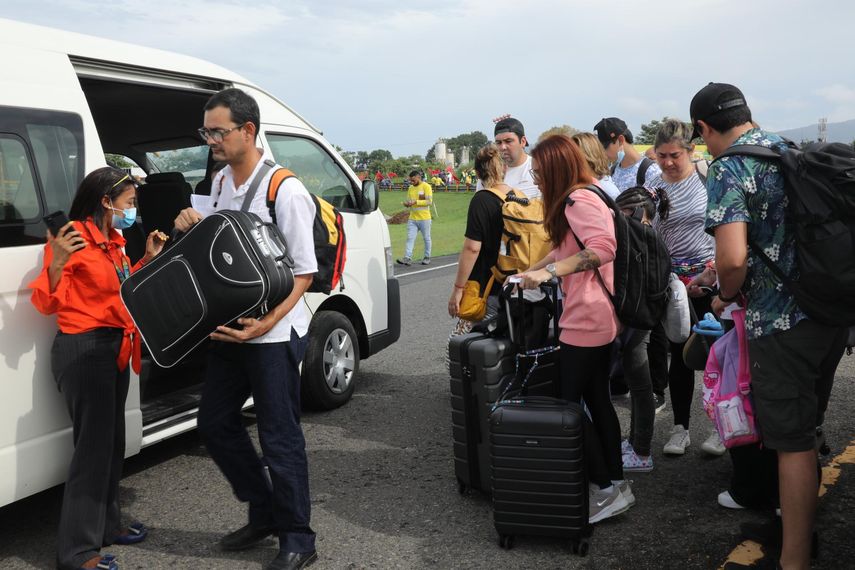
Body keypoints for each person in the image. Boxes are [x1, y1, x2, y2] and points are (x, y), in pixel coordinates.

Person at [693, 82, 848, 570]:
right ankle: (790, 526)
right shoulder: (790, 150)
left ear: (703, 128)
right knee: (806, 426)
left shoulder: (730, 167)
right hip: (829, 310)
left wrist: (727, 293)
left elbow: (733, 258)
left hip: (781, 322)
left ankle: (795, 559)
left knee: (791, 442)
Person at [173, 87, 319, 570]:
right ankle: (265, 511)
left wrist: (267, 324)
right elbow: (218, 250)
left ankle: (298, 535)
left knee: (279, 436)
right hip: (229, 328)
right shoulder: (218, 183)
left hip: (272, 334)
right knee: (214, 422)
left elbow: (303, 272)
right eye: (207, 131)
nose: (210, 139)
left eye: (218, 131)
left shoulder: (285, 190)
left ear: (248, 131)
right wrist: (189, 222)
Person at [29, 167, 166, 570]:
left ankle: (109, 526)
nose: (133, 210)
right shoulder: (71, 240)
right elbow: (45, 302)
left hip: (115, 349)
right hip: (85, 351)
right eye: (129, 202)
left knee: (112, 445)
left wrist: (145, 260)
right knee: (91, 453)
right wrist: (58, 261)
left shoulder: (115, 242)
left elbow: (120, 293)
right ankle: (76, 552)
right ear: (106, 201)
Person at [513, 134, 630, 524]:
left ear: (556, 170)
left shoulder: (579, 199)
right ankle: (614, 482)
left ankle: (607, 488)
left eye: (540, 173)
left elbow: (602, 248)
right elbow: (567, 249)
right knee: (596, 400)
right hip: (595, 318)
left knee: (569, 407)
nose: (537, 180)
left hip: (586, 319)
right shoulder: (585, 194)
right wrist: (534, 270)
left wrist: (546, 272)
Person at [644, 118, 720, 457]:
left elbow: (725, 228)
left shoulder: (710, 180)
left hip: (710, 278)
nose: (667, 162)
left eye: (674, 155)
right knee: (680, 356)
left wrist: (715, 272)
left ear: (690, 150)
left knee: (718, 355)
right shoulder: (651, 182)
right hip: (670, 282)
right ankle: (680, 429)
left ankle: (721, 427)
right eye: (661, 155)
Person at [613, 186, 671, 472]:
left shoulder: (642, 238)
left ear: (636, 211)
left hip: (638, 321)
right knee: (639, 388)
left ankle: (642, 451)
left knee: (641, 387)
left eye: (622, 212)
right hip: (642, 319)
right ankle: (636, 443)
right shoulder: (648, 236)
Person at [445, 144, 510, 365]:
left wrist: (457, 290)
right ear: (504, 169)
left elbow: (472, 248)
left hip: (485, 284)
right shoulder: (517, 196)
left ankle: (471, 392)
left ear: (478, 173)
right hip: (512, 281)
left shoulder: (482, 200)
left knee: (460, 345)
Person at [476, 116, 539, 199]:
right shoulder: (490, 172)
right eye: (498, 142)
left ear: (523, 141)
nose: (503, 147)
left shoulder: (538, 169)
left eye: (508, 141)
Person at [593, 117, 662, 192]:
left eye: (604, 147)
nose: (602, 152)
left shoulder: (651, 172)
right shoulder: (612, 171)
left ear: (621, 140)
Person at [396, 170, 433, 266]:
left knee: (426, 238)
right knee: (410, 238)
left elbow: (429, 202)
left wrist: (416, 202)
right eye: (410, 181)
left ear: (418, 177)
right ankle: (407, 258)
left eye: (413, 180)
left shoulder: (426, 187)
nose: (411, 182)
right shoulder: (410, 188)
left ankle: (427, 257)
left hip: (424, 218)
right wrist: (407, 204)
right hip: (412, 218)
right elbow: (409, 201)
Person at [571, 132, 621, 200]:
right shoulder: (576, 186)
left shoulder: (607, 192)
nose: (571, 163)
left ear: (590, 158)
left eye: (576, 157)